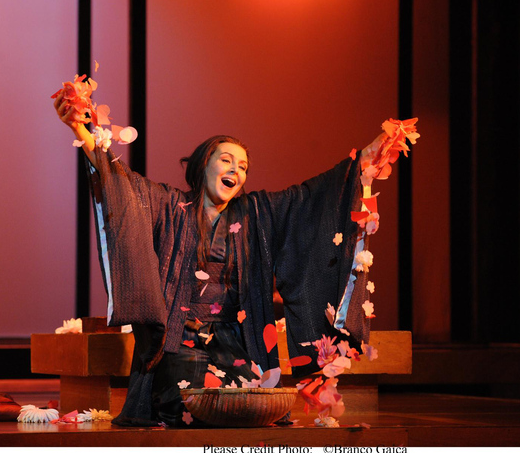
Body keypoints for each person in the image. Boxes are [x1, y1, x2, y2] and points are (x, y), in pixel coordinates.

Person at [54, 93, 384, 427]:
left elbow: (309, 199)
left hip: (234, 339)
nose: (235, 170)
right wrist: (82, 131)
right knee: (186, 402)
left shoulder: (256, 213)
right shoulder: (169, 206)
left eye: (242, 167)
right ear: (203, 166)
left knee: (252, 402)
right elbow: (122, 183)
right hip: (180, 339)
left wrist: (363, 165)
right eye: (226, 160)